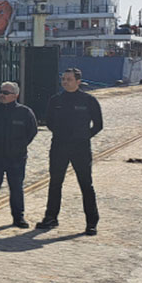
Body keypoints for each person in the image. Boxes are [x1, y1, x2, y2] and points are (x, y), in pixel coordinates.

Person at [39, 68, 102, 235]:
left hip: (80, 148)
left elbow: (98, 125)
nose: (65, 82)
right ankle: (51, 217)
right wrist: (61, 134)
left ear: (78, 81)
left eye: (69, 79)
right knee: (55, 183)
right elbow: (49, 122)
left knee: (86, 184)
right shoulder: (56, 100)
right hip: (59, 146)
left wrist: (83, 136)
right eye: (63, 79)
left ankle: (91, 222)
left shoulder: (89, 100)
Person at [0, 81, 37, 228]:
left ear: (15, 95)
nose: (2, 95)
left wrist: (20, 146)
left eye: (6, 93)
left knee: (16, 187)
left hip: (16, 157)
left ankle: (18, 218)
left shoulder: (25, 112)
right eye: (1, 92)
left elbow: (32, 131)